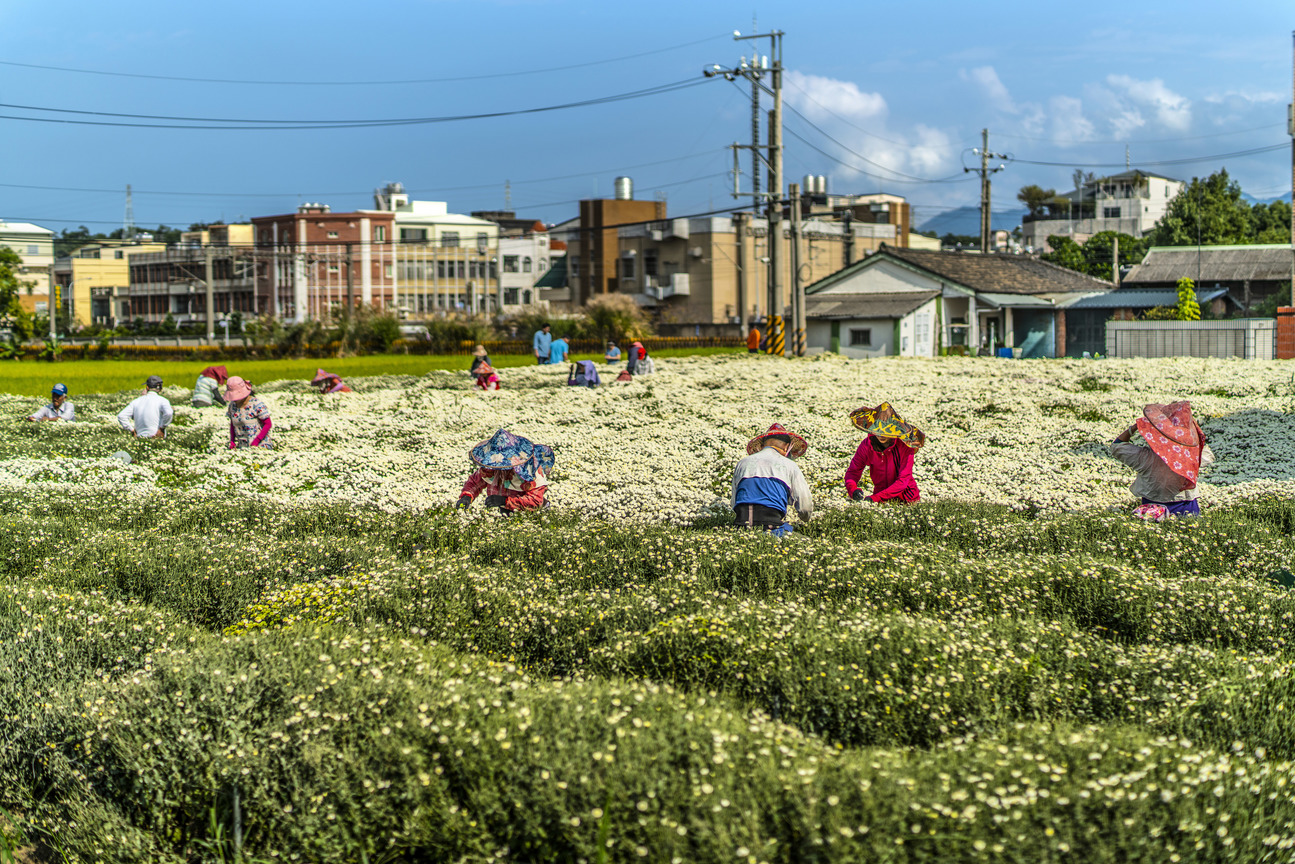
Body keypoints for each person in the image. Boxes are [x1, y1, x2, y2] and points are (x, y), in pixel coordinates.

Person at [1110, 401, 1214, 520]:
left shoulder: (1146, 457)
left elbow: (1117, 446)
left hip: (1153, 511)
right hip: (1187, 508)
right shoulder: (1189, 457)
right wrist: (1191, 428)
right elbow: (1206, 454)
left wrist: (1134, 427)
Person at [731, 423, 813, 537]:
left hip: (741, 527)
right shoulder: (789, 465)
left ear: (763, 445)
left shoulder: (742, 463)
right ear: (786, 447)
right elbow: (805, 505)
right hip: (772, 527)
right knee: (807, 543)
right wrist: (805, 519)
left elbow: (734, 502)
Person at [456, 429, 554, 513]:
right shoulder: (491, 469)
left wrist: (504, 501)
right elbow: (475, 482)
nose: (498, 467)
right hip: (504, 514)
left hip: (532, 516)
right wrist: (467, 497)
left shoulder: (530, 472)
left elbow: (535, 501)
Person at [844, 403, 925, 505]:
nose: (881, 435)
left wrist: (875, 498)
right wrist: (853, 490)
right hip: (880, 500)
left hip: (907, 500)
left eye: (886, 430)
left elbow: (903, 481)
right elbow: (853, 472)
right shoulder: (866, 446)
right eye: (878, 430)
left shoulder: (905, 447)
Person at [225, 376, 274, 449]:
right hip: (243, 446)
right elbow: (233, 424)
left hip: (261, 445)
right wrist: (232, 441)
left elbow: (268, 424)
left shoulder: (256, 404)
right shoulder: (232, 406)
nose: (234, 399)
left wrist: (257, 441)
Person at [117, 375, 173, 439]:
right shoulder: (163, 400)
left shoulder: (136, 401)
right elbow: (169, 413)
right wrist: (162, 428)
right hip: (157, 437)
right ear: (160, 388)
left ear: (147, 387)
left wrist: (132, 430)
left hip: (140, 438)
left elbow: (121, 416)